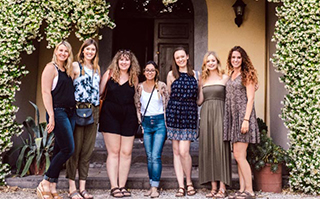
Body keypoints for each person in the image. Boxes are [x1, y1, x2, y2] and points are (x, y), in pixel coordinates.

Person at [36, 41, 75, 199]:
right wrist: (51, 116)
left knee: (59, 149)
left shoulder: (67, 70)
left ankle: (52, 187)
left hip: (70, 113)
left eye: (66, 51)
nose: (63, 53)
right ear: (56, 51)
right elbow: (46, 93)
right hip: (57, 112)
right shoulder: (50, 68)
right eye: (61, 50)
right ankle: (45, 181)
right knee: (68, 149)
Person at [98, 49, 140, 198]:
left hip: (128, 116)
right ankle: (114, 186)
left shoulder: (133, 77)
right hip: (110, 115)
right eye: (121, 59)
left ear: (131, 62)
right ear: (117, 61)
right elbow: (100, 93)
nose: (124, 62)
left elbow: (136, 98)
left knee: (126, 152)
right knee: (114, 151)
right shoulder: (109, 74)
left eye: (127, 60)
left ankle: (122, 185)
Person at [65, 39, 100, 199]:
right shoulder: (75, 66)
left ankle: (83, 187)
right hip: (79, 109)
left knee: (87, 151)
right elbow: (66, 88)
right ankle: (72, 187)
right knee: (75, 150)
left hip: (93, 111)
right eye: (88, 49)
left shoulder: (97, 68)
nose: (90, 52)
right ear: (83, 50)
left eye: (93, 49)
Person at [223, 46, 260, 199]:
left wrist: (245, 120)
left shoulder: (247, 74)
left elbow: (251, 98)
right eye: (233, 57)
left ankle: (250, 191)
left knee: (239, 156)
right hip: (233, 118)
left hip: (243, 118)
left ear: (243, 59)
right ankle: (242, 189)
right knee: (239, 155)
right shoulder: (231, 74)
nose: (235, 60)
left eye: (238, 57)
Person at [166, 47, 200, 197]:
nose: (180, 59)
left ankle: (189, 182)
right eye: (177, 58)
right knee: (176, 151)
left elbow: (200, 98)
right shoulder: (171, 75)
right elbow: (168, 95)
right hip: (174, 113)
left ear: (187, 56)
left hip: (189, 114)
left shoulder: (197, 75)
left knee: (184, 151)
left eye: (182, 56)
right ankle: (181, 185)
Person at [197, 51, 231, 198]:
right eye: (208, 61)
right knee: (209, 148)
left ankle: (223, 186)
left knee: (221, 148)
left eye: (213, 60)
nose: (211, 63)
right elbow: (199, 101)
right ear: (205, 64)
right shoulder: (202, 79)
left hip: (221, 113)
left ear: (217, 61)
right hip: (206, 115)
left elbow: (231, 98)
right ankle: (213, 186)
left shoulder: (225, 78)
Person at [134, 61, 169, 198]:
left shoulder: (161, 86)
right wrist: (140, 123)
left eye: (152, 70)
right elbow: (137, 106)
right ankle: (151, 184)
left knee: (156, 155)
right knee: (149, 157)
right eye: (147, 70)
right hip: (146, 123)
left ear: (156, 72)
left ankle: (155, 187)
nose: (150, 72)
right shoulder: (139, 87)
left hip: (160, 122)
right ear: (144, 72)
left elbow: (167, 103)